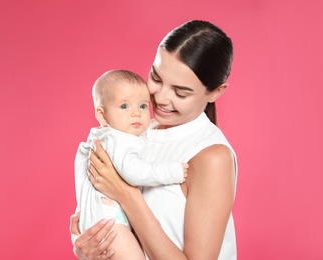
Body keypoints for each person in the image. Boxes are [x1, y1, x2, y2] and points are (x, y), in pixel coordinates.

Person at [70, 19, 238, 259]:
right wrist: (87, 245)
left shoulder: (212, 157)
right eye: (156, 78)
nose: (160, 98)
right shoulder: (139, 131)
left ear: (216, 92)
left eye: (180, 92)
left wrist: (128, 196)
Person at [74, 70, 188, 260]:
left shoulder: (102, 137)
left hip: (98, 221)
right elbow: (133, 172)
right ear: (102, 115)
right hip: (109, 224)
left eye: (143, 106)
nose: (136, 113)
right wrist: (173, 171)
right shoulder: (118, 139)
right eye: (124, 106)